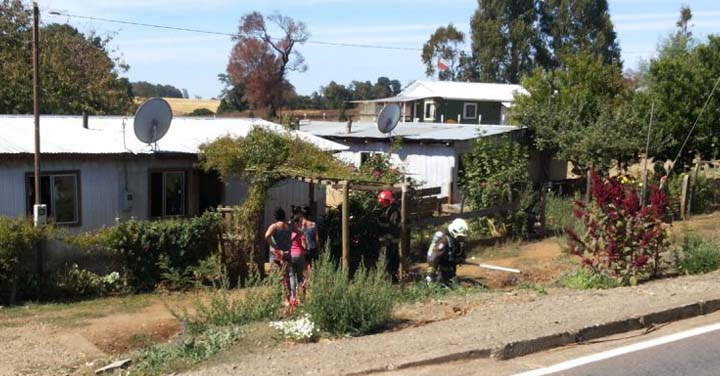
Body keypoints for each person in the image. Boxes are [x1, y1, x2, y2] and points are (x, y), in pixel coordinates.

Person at [426, 218, 469, 285]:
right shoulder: (444, 241)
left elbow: (458, 254)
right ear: (454, 232)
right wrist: (430, 276)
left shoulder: (455, 241)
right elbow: (434, 259)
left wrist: (460, 259)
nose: (462, 238)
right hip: (442, 270)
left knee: (454, 284)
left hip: (450, 269)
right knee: (448, 285)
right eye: (460, 236)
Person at [377, 190, 401, 282]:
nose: (382, 203)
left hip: (390, 240)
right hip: (388, 239)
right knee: (390, 258)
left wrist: (388, 239)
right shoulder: (388, 209)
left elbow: (393, 226)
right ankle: (390, 277)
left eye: (384, 201)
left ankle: (389, 278)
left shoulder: (393, 211)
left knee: (388, 258)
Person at [288, 215, 307, 300]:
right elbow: (304, 245)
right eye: (300, 222)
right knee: (300, 277)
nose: (302, 223)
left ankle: (293, 297)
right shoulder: (300, 233)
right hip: (299, 255)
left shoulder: (289, 233)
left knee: (291, 276)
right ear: (297, 223)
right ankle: (302, 296)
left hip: (291, 255)